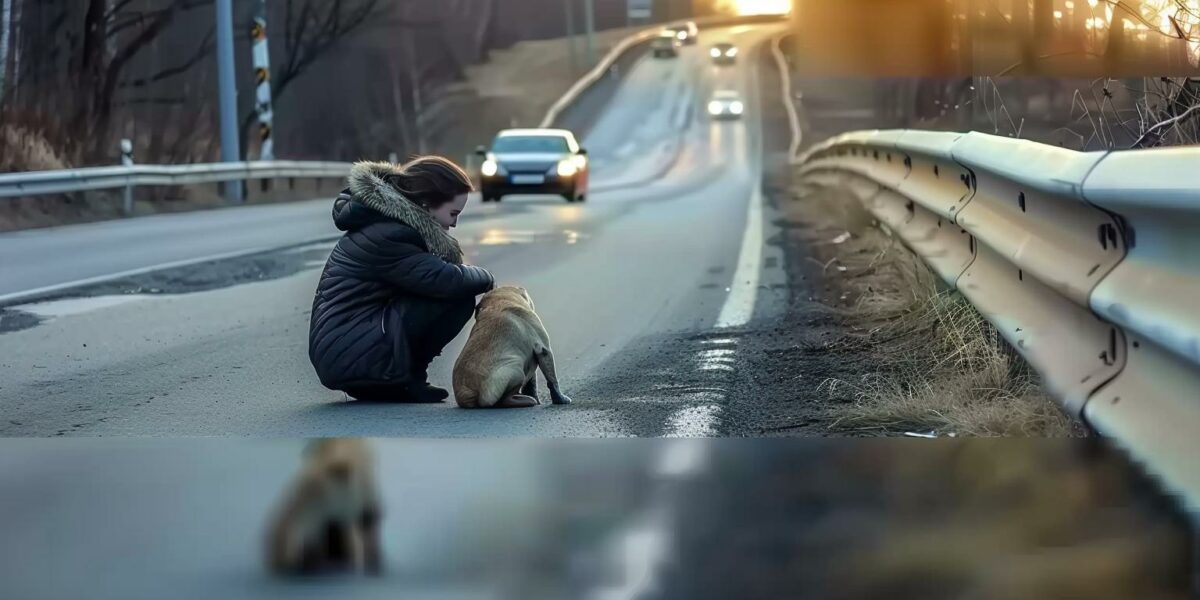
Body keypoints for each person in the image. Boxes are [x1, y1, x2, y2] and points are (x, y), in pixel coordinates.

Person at [309, 156, 494, 402]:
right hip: (345, 353)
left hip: (346, 346)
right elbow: (443, 279)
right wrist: (488, 277)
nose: (455, 223)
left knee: (441, 293)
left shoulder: (387, 220)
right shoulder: (391, 232)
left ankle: (399, 381)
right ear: (427, 203)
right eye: (453, 213)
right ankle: (404, 380)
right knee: (456, 298)